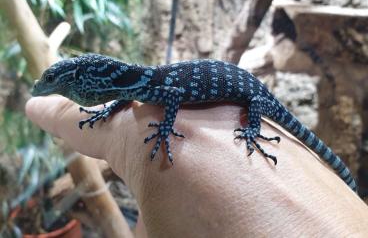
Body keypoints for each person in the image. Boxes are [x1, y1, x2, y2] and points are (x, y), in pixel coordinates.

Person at [26, 96, 368, 237]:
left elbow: (172, 95)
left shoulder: (151, 87)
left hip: (252, 96)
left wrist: (251, 130)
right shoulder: (136, 89)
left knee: (318, 148)